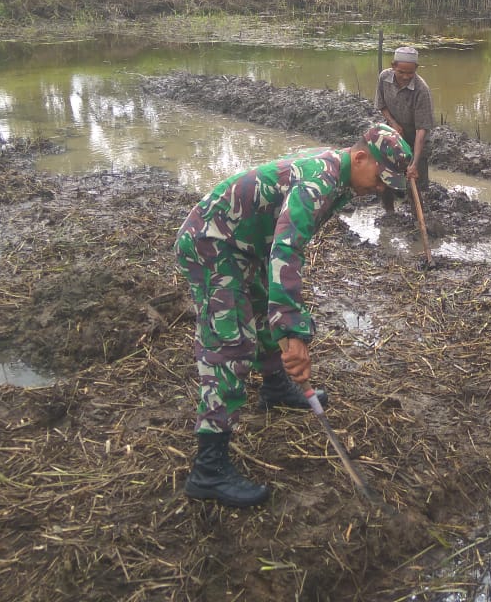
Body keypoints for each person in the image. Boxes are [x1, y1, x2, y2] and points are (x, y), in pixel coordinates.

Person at [174, 123, 412, 508]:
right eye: (381, 179)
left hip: (244, 244)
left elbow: (281, 247)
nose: (382, 188)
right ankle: (209, 468)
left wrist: (282, 321)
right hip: (212, 245)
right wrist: (293, 333)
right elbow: (288, 250)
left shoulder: (338, 174)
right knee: (230, 344)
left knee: (266, 301)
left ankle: (275, 387)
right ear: (362, 156)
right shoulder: (320, 182)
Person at [374, 46, 433, 197]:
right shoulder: (384, 78)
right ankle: (392, 210)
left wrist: (413, 164)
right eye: (401, 72)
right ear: (393, 66)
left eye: (410, 73)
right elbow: (381, 105)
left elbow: (422, 129)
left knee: (417, 183)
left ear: (416, 69)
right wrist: (393, 123)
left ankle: (418, 209)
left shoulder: (421, 90)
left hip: (416, 139)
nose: (406, 77)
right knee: (390, 178)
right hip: (393, 135)